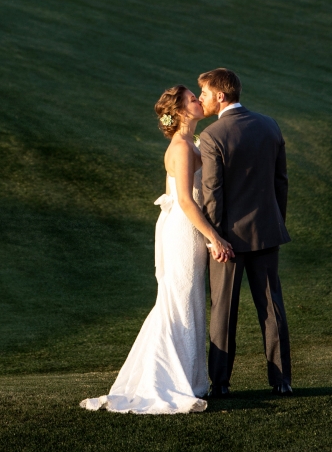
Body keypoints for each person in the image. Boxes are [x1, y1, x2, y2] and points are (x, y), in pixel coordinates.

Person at [80, 85, 234, 414]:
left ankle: (190, 380)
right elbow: (184, 201)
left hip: (189, 231)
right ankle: (169, 382)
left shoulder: (191, 142)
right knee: (177, 301)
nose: (198, 100)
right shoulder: (180, 147)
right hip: (182, 231)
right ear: (180, 111)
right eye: (193, 98)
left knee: (187, 301)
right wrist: (214, 237)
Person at [198, 67, 292, 397]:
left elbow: (213, 193)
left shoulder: (213, 136)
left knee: (223, 311)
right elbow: (281, 181)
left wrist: (215, 238)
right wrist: (275, 220)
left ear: (221, 96)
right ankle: (282, 381)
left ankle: (220, 384)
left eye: (206, 94)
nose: (202, 99)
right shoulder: (269, 125)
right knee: (271, 307)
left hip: (228, 241)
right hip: (267, 232)